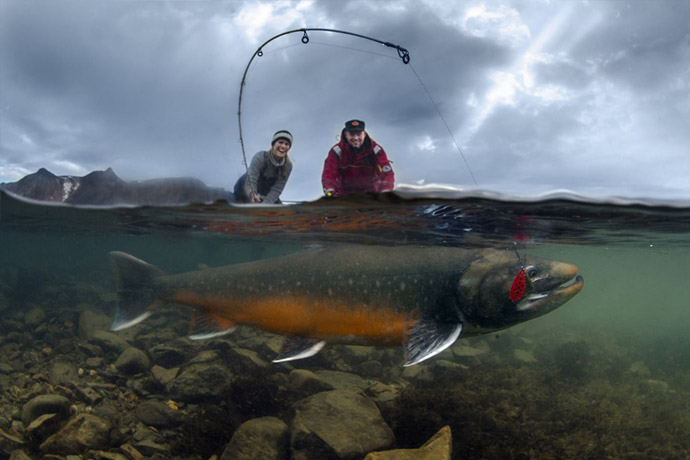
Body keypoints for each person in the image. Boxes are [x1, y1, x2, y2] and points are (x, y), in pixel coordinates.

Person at [321, 119, 394, 197]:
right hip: (343, 198)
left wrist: (385, 193)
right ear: (346, 135)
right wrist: (331, 193)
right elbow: (328, 176)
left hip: (371, 197)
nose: (355, 138)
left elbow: (387, 174)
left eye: (359, 134)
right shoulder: (336, 152)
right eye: (352, 134)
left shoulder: (376, 150)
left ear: (364, 134)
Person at [234, 130, 293, 204]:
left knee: (280, 209)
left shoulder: (288, 166)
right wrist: (252, 194)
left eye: (287, 144)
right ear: (273, 144)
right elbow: (252, 178)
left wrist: (264, 206)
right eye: (280, 142)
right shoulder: (260, 156)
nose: (283, 146)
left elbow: (277, 189)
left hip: (263, 195)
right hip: (244, 189)